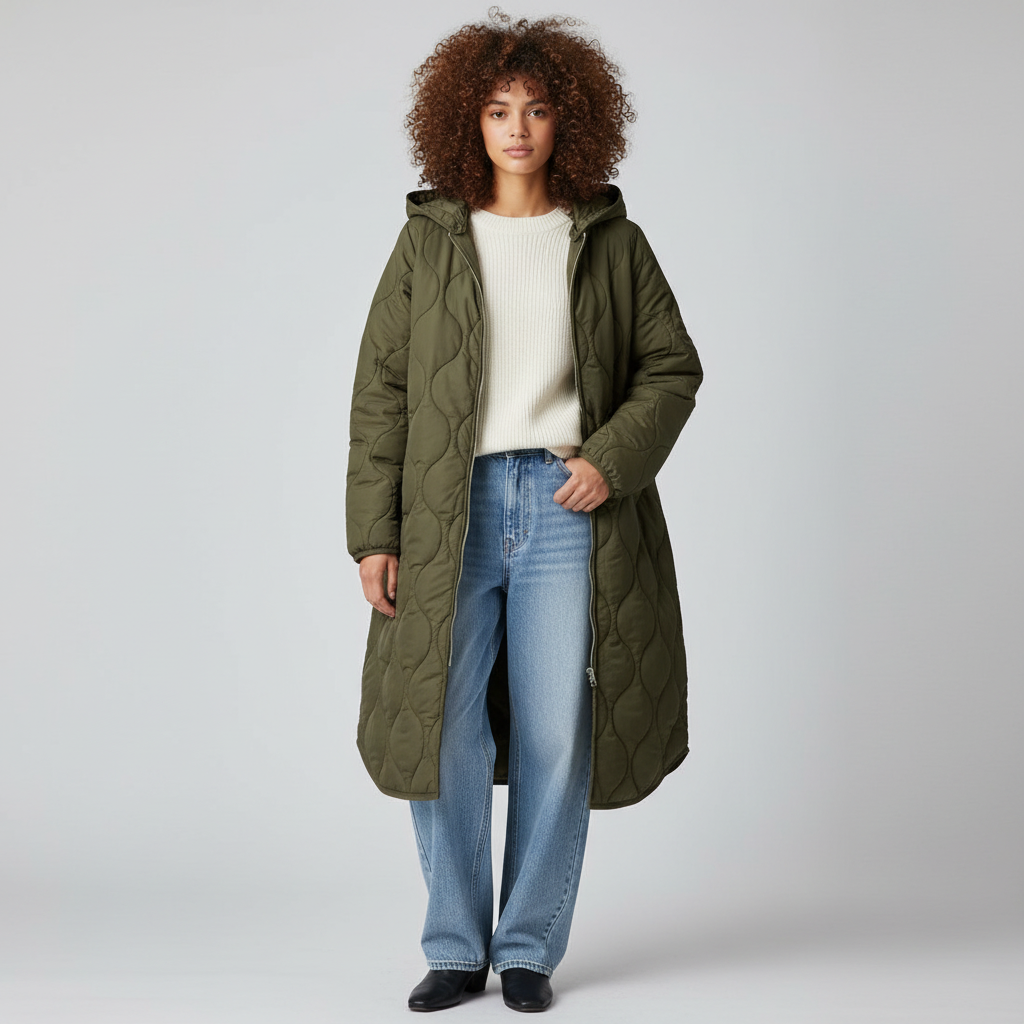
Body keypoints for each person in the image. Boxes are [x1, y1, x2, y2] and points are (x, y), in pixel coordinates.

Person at [345, 9, 703, 1013]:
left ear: (568, 120)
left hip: (561, 508)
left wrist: (610, 462)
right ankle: (455, 946)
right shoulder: (427, 243)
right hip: (445, 511)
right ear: (466, 119)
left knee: (556, 731)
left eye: (536, 109)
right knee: (441, 729)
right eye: (498, 109)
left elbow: (670, 368)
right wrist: (374, 533)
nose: (516, 128)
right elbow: (382, 392)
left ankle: (528, 949)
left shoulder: (612, 240)